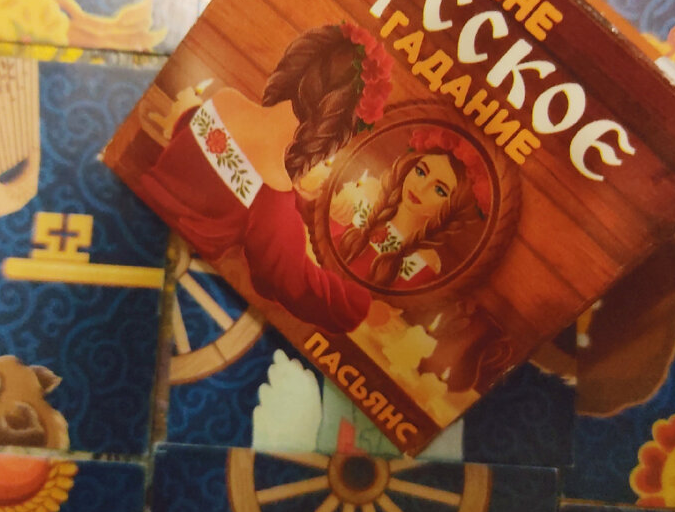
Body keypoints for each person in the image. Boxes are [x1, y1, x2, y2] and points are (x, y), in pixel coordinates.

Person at [136, 22, 397, 334]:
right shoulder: (272, 193)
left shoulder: (225, 101)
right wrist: (359, 305)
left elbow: (199, 152)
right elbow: (293, 284)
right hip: (168, 265)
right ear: (335, 128)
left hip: (136, 203)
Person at [332, 126, 490, 289]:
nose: (420, 188)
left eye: (439, 190)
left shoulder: (428, 263)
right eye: (421, 172)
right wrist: (335, 206)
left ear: (454, 207)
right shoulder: (365, 191)